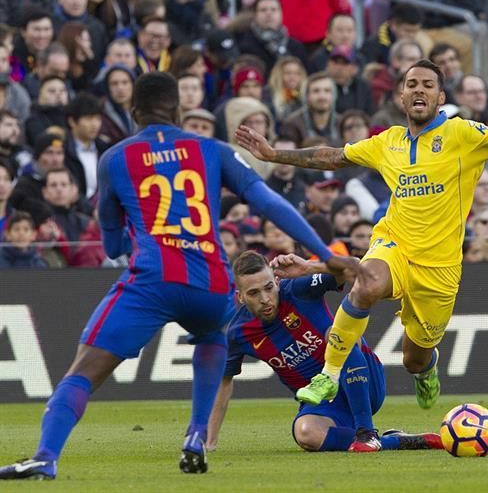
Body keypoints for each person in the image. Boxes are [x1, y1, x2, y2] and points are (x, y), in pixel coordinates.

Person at [0, 71, 358, 480]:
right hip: (210, 280)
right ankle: (195, 435)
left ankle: (46, 455)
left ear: (134, 112)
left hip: (153, 279)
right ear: (178, 110)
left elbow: (113, 245)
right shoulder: (211, 149)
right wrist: (327, 254)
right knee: (210, 338)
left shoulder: (115, 158)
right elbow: (270, 202)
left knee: (83, 371)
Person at [235, 58, 488, 450]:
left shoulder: (460, 133)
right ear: (401, 95)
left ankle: (427, 369)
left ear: (441, 97)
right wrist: (275, 156)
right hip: (394, 245)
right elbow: (333, 156)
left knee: (414, 358)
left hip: (439, 268)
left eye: (428, 84)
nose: (419, 90)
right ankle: (330, 371)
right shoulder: (386, 141)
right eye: (412, 84)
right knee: (366, 282)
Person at [208, 251, 443, 453]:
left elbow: (356, 266)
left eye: (269, 288)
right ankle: (396, 441)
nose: (265, 299)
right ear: (239, 297)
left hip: (363, 379)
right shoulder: (237, 333)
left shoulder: (298, 288)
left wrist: (310, 267)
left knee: (337, 333)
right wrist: (210, 441)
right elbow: (224, 382)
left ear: (277, 281)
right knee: (305, 433)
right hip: (325, 403)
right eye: (254, 293)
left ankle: (366, 432)